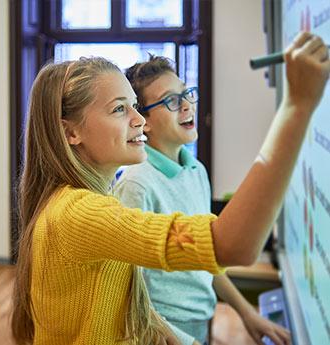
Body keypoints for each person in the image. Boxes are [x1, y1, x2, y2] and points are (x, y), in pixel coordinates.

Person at [11, 31, 329, 345]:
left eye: (135, 106)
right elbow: (232, 246)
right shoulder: (81, 213)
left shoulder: (91, 200)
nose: (139, 120)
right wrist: (297, 107)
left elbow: (130, 307)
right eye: (119, 109)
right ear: (71, 133)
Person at [114, 54, 291, 345]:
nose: (186, 105)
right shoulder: (137, 185)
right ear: (143, 122)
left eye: (186, 93)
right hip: (162, 332)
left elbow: (206, 257)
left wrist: (247, 313)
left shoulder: (196, 170)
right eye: (171, 100)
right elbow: (129, 294)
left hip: (201, 320)